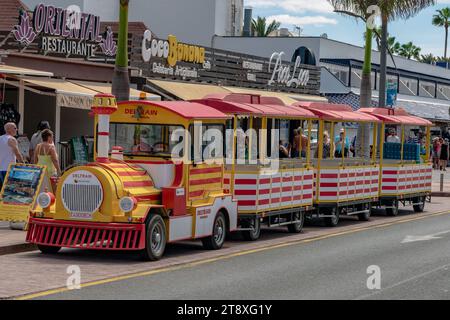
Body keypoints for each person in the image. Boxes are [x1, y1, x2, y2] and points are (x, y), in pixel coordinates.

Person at [0, 122, 25, 187]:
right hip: (9, 169)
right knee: (8, 191)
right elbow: (17, 153)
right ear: (8, 129)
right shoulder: (11, 139)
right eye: (15, 128)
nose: (16, 129)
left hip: (1, 168)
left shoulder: (0, 138)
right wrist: (23, 164)